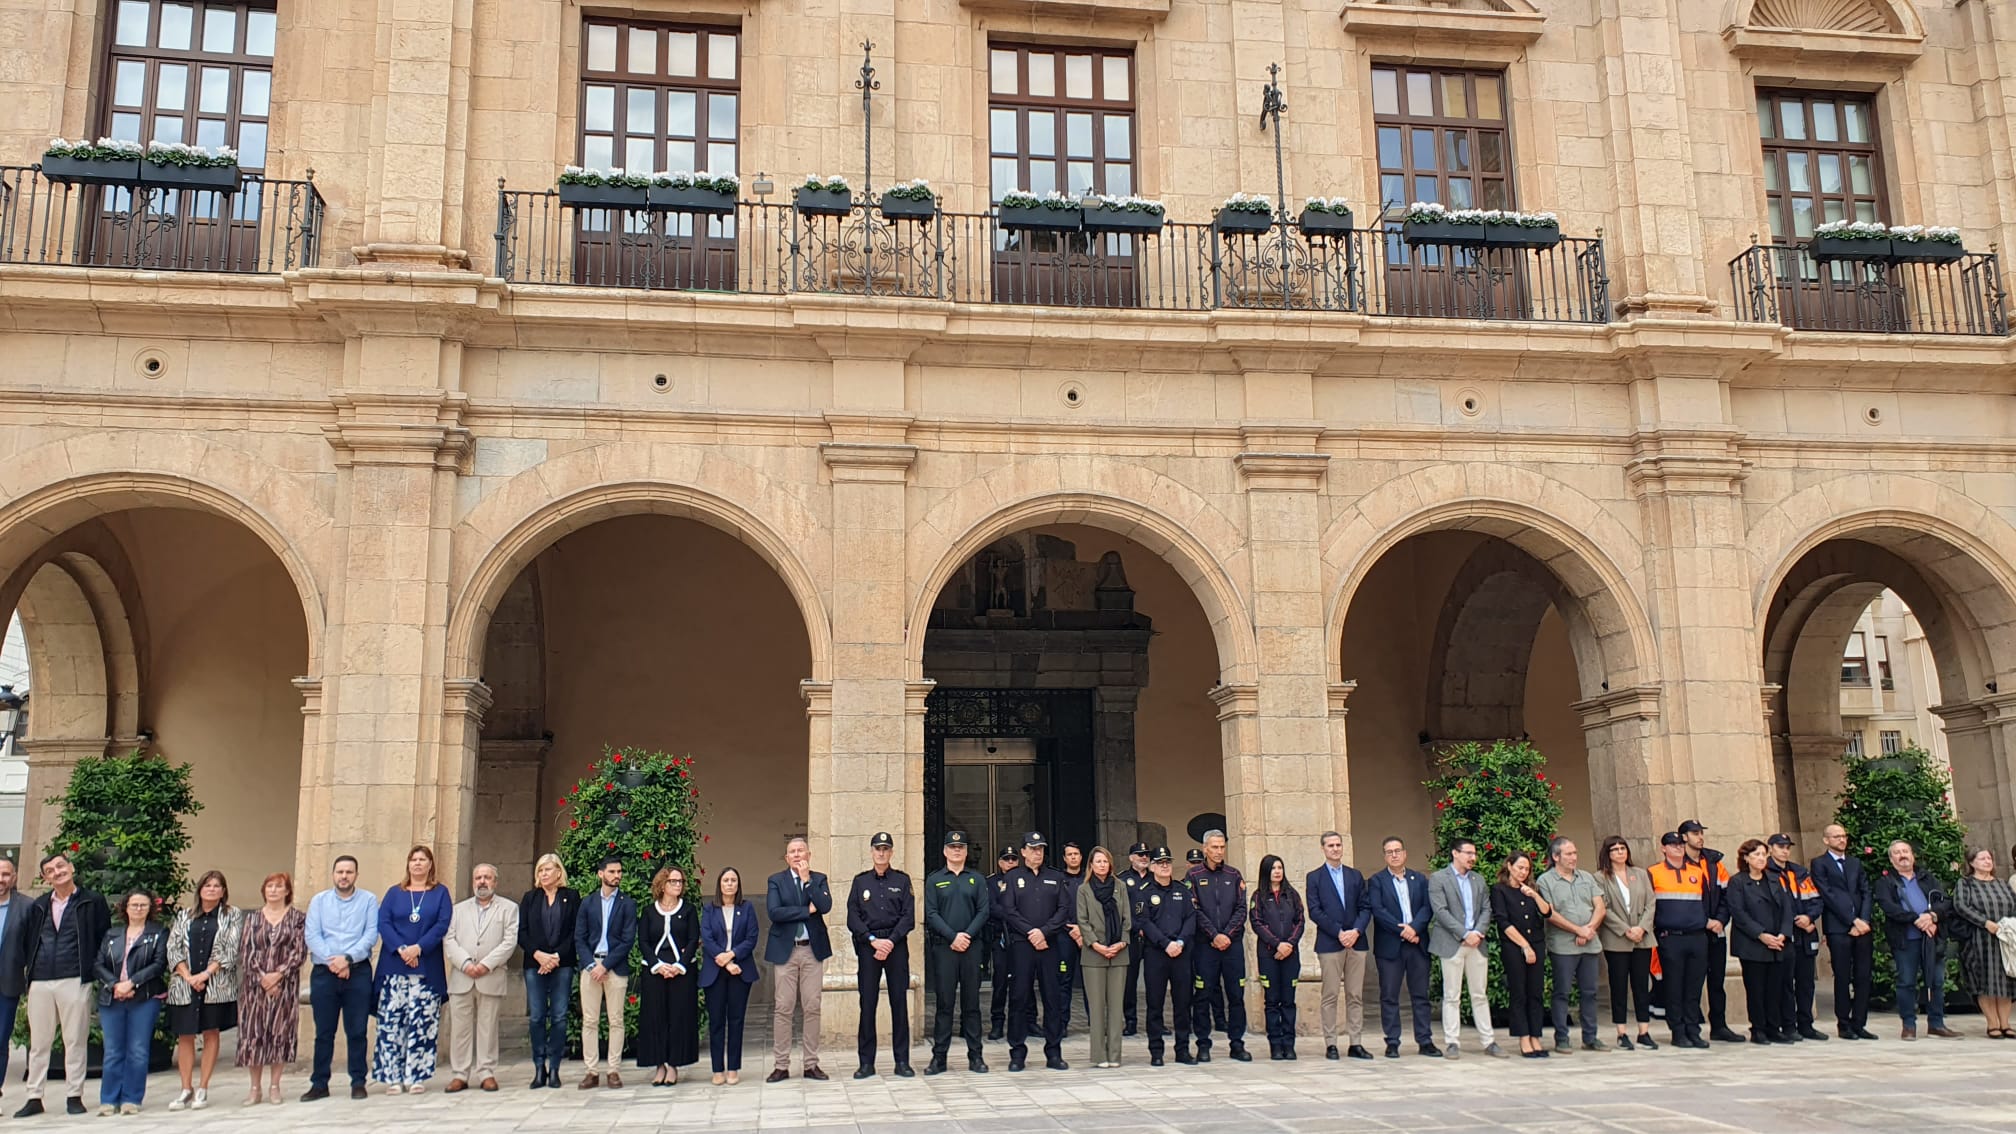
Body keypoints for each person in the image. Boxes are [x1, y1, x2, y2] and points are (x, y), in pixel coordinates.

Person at [16, 850, 110, 1117]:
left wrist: (93, 968)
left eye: (61, 866)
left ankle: (74, 1095)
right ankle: (34, 1096)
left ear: (71, 867)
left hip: (75, 977)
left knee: (75, 1039)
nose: (57, 872)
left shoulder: (92, 901)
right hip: (41, 979)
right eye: (51, 870)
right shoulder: (39, 905)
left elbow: (102, 937)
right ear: (46, 878)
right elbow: (29, 939)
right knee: (39, 1042)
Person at [372, 846, 452, 1093]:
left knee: (422, 1023)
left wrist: (418, 948)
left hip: (425, 966)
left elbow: (442, 924)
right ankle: (392, 1076)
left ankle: (416, 1075)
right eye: (413, 860)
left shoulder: (440, 893)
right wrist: (401, 949)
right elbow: (383, 923)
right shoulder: (395, 893)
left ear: (430, 865)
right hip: (394, 966)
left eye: (422, 860)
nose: (417, 864)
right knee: (392, 1023)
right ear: (408, 865)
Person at [302, 855, 379, 1101]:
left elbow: (370, 935)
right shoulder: (319, 901)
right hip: (325, 972)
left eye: (349, 872)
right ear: (333, 874)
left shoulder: (368, 900)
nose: (344, 876)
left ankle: (358, 1081)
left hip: (357, 972)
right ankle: (319, 1083)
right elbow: (312, 935)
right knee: (324, 1031)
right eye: (340, 872)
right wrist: (334, 962)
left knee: (356, 1030)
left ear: (356, 874)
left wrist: (347, 959)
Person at [167, 870, 242, 1111]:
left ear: (223, 891)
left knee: (211, 1032)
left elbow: (231, 947)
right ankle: (185, 1088)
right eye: (207, 885)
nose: (211, 889)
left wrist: (205, 974)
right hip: (185, 984)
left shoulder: (232, 915)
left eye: (216, 886)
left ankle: (203, 1087)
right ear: (199, 889)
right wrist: (189, 976)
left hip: (215, 984)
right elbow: (173, 946)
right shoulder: (184, 915)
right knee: (185, 1036)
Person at [443, 863, 520, 1093]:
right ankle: (460, 1074)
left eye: (487, 877)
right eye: (478, 877)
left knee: (488, 1027)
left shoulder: (509, 908)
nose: (482, 881)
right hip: (462, 977)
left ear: (495, 882)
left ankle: (486, 1072)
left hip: (491, 975)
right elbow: (449, 940)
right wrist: (466, 963)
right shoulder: (458, 910)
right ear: (473, 881)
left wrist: (486, 964)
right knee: (460, 1028)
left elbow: (509, 941)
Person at [847, 832, 916, 1079]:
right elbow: (852, 916)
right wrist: (873, 941)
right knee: (868, 1004)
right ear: (871, 851)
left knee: (899, 1003)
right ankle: (866, 1063)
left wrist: (890, 941)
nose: (882, 853)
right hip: (870, 946)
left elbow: (909, 916)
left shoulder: (903, 880)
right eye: (878, 849)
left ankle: (902, 1061)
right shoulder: (860, 881)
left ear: (892, 852)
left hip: (895, 945)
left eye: (886, 849)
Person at [93, 890, 168, 1115]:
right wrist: (116, 984)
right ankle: (108, 1099)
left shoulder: (158, 933)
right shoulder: (112, 934)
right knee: (113, 1050)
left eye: (143, 905)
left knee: (137, 1049)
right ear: (125, 908)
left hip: (144, 998)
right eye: (134, 905)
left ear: (150, 909)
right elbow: (98, 964)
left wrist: (132, 983)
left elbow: (158, 964)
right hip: (113, 997)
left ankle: (131, 1098)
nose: (138, 909)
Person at [1876, 839, 1960, 1039]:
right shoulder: (1885, 882)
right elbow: (1889, 908)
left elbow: (1945, 902)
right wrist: (1918, 919)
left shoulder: (1927, 877)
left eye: (1906, 851)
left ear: (1913, 855)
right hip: (1906, 940)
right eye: (1897, 852)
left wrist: (1932, 917)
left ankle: (1936, 1024)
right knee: (1906, 982)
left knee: (1936, 981)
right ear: (1891, 858)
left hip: (1932, 937)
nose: (1902, 855)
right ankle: (1909, 1025)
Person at [1002, 830, 1072, 1071]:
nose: (1037, 852)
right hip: (1023, 946)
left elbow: (1063, 909)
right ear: (1023, 852)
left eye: (1040, 848)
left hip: (1049, 945)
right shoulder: (1013, 877)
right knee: (1019, 998)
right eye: (1032, 849)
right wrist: (1032, 932)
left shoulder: (1055, 876)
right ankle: (1017, 1053)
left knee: (1052, 998)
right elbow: (1009, 911)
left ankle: (1054, 1052)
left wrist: (1044, 932)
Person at [764, 836, 832, 1082]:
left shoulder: (819, 878)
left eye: (800, 851)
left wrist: (807, 882)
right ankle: (781, 1065)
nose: (796, 855)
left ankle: (811, 1064)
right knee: (783, 1007)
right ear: (786, 857)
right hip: (786, 951)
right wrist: (806, 911)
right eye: (792, 851)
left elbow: (824, 906)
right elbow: (775, 912)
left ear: (808, 855)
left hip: (812, 950)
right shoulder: (776, 880)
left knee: (812, 1007)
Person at [923, 832, 990, 1075]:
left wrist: (966, 936)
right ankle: (939, 1058)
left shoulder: (977, 879)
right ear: (944, 851)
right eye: (952, 847)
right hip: (945, 948)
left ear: (966, 851)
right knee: (944, 1005)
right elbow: (931, 914)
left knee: (972, 1004)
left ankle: (976, 1056)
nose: (957, 851)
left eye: (960, 847)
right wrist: (953, 937)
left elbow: (983, 911)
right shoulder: (935, 880)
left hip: (971, 947)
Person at [1367, 836, 1439, 1058]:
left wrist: (1414, 929)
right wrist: (1403, 931)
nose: (1394, 855)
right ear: (1384, 856)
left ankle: (1425, 1040)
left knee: (1420, 995)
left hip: (1417, 944)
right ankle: (1392, 1041)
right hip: (1390, 947)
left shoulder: (1420, 879)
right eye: (1389, 852)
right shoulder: (1376, 881)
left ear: (1405, 853)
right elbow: (1378, 911)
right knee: (1389, 995)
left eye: (1397, 850)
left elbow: (1427, 908)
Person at [238, 872, 307, 1104]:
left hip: (284, 985)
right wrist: (262, 978)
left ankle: (275, 1085)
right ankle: (254, 1087)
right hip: (255, 987)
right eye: (270, 886)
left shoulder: (297, 918)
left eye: (279, 887)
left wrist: (278, 975)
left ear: (287, 891)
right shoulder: (253, 919)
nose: (274, 891)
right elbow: (246, 951)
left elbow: (299, 951)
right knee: (254, 1034)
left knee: (280, 1032)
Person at [1429, 838, 1501, 1059]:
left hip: (1476, 944)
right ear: (1455, 853)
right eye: (1468, 853)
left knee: (1479, 994)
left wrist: (1477, 933)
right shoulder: (1439, 879)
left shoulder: (1477, 880)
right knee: (1452, 995)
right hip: (1453, 943)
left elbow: (1487, 909)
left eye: (1474, 853)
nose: (1472, 857)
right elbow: (1440, 911)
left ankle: (1488, 1041)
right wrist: (1464, 933)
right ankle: (1452, 1041)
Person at [1535, 836, 1607, 1054]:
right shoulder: (1545, 881)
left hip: (1590, 944)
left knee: (1590, 991)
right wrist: (1578, 930)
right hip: (1563, 946)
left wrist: (1589, 929)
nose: (1573, 857)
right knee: (1562, 992)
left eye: (1575, 853)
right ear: (1556, 857)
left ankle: (1591, 1037)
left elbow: (1600, 907)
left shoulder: (1586, 877)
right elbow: (1550, 914)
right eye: (1568, 854)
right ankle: (1562, 1038)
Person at [1306, 830, 1373, 1061]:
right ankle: (1331, 1043)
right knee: (1331, 994)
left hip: (1356, 942)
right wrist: (1338, 932)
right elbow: (1315, 911)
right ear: (1323, 849)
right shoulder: (1314, 877)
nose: (1335, 849)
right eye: (1330, 845)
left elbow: (1365, 907)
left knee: (1355, 994)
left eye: (1338, 845)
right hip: (1330, 943)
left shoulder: (1355, 876)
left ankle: (1356, 1042)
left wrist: (1355, 931)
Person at [1650, 831, 1719, 1049]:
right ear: (1664, 848)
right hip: (1670, 937)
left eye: (1680, 844)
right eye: (1672, 845)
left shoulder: (1697, 872)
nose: (1678, 848)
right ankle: (1677, 1031)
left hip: (1697, 936)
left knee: (1694, 987)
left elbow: (1706, 901)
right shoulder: (1654, 872)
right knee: (1673, 986)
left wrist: (1707, 921)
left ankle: (1693, 1029)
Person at [1187, 829, 1250, 1062]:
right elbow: (1194, 909)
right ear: (1205, 848)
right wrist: (1214, 935)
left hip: (1231, 946)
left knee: (1236, 995)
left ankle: (1237, 1043)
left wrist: (1226, 935)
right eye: (1214, 847)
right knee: (1203, 995)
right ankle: (1203, 1044)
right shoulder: (1193, 875)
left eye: (1222, 847)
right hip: (1205, 946)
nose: (1219, 851)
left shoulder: (1234, 875)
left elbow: (1241, 909)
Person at [517, 852, 579, 1089]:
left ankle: (554, 1068)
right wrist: (539, 955)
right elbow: (522, 932)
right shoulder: (530, 898)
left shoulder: (571, 897)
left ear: (558, 872)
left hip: (561, 964)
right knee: (537, 1016)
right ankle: (539, 1067)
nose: (543, 874)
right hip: (535, 965)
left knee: (560, 1016)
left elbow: (575, 931)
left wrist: (556, 957)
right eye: (540, 870)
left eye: (548, 869)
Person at [576, 855, 638, 1088]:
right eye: (612, 872)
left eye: (619, 872)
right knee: (590, 1020)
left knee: (616, 1020)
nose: (617, 876)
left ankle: (613, 1070)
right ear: (600, 874)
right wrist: (591, 965)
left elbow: (627, 939)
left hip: (615, 968)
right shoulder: (587, 903)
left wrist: (606, 965)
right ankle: (591, 1070)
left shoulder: (627, 903)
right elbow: (579, 938)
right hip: (590, 968)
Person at [1811, 823, 1877, 1040]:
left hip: (1862, 928)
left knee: (1863, 976)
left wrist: (1864, 920)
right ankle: (1844, 1023)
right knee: (1842, 976)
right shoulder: (1819, 864)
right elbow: (1827, 895)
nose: (1841, 840)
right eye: (1836, 836)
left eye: (1843, 836)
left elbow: (1865, 891)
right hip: (1839, 928)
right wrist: (1852, 921)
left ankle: (1860, 1022)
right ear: (1826, 840)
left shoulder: (1855, 863)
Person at [637, 865, 700, 1086]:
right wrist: (657, 965)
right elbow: (643, 941)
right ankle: (659, 1065)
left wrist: (679, 965)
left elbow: (693, 939)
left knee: (678, 1017)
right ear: (662, 884)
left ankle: (673, 1065)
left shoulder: (689, 910)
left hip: (681, 972)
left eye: (680, 882)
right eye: (673, 881)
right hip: (655, 972)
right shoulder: (648, 911)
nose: (678, 885)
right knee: (655, 1018)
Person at [1727, 839, 1795, 1044]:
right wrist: (1761, 935)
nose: (1760, 858)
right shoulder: (1738, 882)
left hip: (1777, 942)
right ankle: (1759, 1029)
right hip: (1753, 944)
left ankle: (1774, 1027)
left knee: (1775, 988)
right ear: (1746, 858)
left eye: (1762, 854)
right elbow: (1739, 913)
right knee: (1756, 989)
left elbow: (1786, 908)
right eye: (1755, 854)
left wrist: (1783, 933)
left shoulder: (1774, 879)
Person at [1679, 820, 1741, 1043]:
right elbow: (1683, 900)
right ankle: (1691, 1027)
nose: (1700, 837)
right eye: (1695, 833)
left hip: (1716, 930)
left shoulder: (1714, 862)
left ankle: (1719, 1025)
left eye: (1701, 833)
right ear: (1684, 837)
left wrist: (1720, 920)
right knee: (1692, 982)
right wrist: (1703, 921)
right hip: (1695, 931)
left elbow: (1727, 895)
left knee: (1717, 982)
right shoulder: (1679, 864)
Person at [1594, 835, 1657, 1050]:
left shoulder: (1639, 874)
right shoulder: (1601, 877)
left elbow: (1651, 903)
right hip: (1617, 939)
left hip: (1642, 937)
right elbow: (1604, 908)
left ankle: (1644, 1030)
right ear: (1608, 854)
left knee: (1641, 984)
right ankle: (1621, 1031)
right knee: (1619, 985)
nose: (1620, 852)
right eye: (1615, 849)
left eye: (1623, 848)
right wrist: (1626, 929)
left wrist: (1641, 927)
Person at [1136, 846, 1196, 1066]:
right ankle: (1156, 1052)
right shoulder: (1144, 892)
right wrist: (1165, 943)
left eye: (1167, 862)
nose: (1164, 866)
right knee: (1155, 1004)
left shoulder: (1182, 890)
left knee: (1182, 1003)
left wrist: (1179, 942)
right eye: (1160, 862)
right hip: (1156, 954)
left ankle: (1182, 1050)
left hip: (1180, 953)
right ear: (1152, 866)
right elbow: (1143, 921)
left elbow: (1191, 919)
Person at [700, 866, 760, 1085]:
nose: (729, 884)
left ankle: (733, 1067)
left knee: (736, 1021)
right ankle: (717, 1069)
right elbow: (706, 938)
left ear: (738, 884)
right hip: (715, 972)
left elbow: (751, 937)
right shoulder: (709, 909)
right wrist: (725, 961)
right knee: (716, 1022)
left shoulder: (747, 908)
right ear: (719, 884)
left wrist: (733, 955)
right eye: (726, 880)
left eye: (733, 880)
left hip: (740, 971)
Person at [1765, 833, 1827, 1042]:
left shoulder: (1799, 872)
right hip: (1785, 936)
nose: (1784, 850)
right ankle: (1788, 1025)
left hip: (1805, 934)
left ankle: (1806, 1024)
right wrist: (1792, 921)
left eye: (1787, 847)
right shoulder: (1766, 873)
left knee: (1806, 982)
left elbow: (1816, 899)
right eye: (1780, 847)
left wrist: (1809, 918)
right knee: (1784, 984)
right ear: (1770, 848)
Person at [1075, 845, 1130, 1069]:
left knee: (1116, 1007)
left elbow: (1127, 918)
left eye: (1105, 861)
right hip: (1093, 954)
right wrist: (1096, 945)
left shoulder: (1120, 887)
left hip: (1119, 953)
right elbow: (1082, 920)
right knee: (1097, 1007)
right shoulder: (1084, 890)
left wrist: (1121, 942)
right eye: (1098, 861)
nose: (1102, 865)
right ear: (1091, 865)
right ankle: (1099, 1055)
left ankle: (1115, 1054)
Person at [1492, 851, 1550, 1058]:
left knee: (1535, 992)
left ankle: (1536, 1035)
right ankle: (1523, 1036)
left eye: (1527, 869)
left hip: (1537, 943)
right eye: (1519, 868)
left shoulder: (1532, 889)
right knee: (1519, 992)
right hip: (1514, 946)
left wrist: (1534, 894)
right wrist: (1525, 946)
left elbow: (1546, 912)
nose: (1523, 872)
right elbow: (1503, 921)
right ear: (1509, 866)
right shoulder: (1500, 890)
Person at [1954, 847, 2016, 1037]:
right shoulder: (1966, 883)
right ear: (1972, 863)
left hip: (2003, 938)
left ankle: (2006, 1023)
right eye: (1982, 859)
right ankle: (1992, 1023)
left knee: (2005, 982)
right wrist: (1985, 922)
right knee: (1985, 981)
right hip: (1979, 938)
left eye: (1989, 858)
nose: (1987, 862)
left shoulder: (2002, 883)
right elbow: (1961, 906)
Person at [1249, 853, 1304, 1060]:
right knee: (1272, 1001)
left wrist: (1289, 944)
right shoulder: (1258, 897)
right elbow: (1257, 923)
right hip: (1268, 955)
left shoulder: (1292, 895)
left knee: (1288, 1001)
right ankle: (1275, 1044)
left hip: (1290, 955)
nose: (1277, 872)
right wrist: (1276, 944)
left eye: (1280, 867)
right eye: (1273, 868)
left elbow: (1300, 921)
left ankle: (1289, 1044)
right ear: (1266, 871)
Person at [0, 858, 33, 1102]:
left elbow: (32, 948)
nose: (1, 880)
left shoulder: (26, 907)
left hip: (7, 985)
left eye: (6, 874)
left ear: (14, 877)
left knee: (1, 1041)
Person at [987, 847, 1019, 1041]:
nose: (1010, 862)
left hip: (1020, 936)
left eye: (1013, 859)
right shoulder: (991, 882)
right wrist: (1012, 913)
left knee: (1023, 981)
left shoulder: (1024, 880)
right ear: (1000, 862)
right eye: (1006, 859)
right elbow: (991, 907)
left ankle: (1026, 1022)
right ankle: (997, 1023)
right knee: (1000, 981)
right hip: (1000, 935)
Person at [1120, 842, 1152, 1037]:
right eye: (1139, 854)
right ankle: (1130, 1021)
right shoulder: (1122, 880)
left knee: (1154, 982)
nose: (1143, 858)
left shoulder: (1156, 878)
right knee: (1129, 982)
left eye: (1146, 854)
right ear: (1131, 857)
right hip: (1132, 937)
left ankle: (1155, 1021)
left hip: (1152, 938)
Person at [1060, 841, 1086, 1027]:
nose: (1073, 857)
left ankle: (1097, 1023)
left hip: (1088, 936)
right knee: (1063, 980)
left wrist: (1083, 931)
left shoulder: (1089, 879)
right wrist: (1073, 930)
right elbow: (1055, 908)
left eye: (1076, 854)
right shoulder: (1058, 879)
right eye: (1069, 854)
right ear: (1064, 858)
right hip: (1064, 935)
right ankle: (1062, 1023)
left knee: (1091, 982)